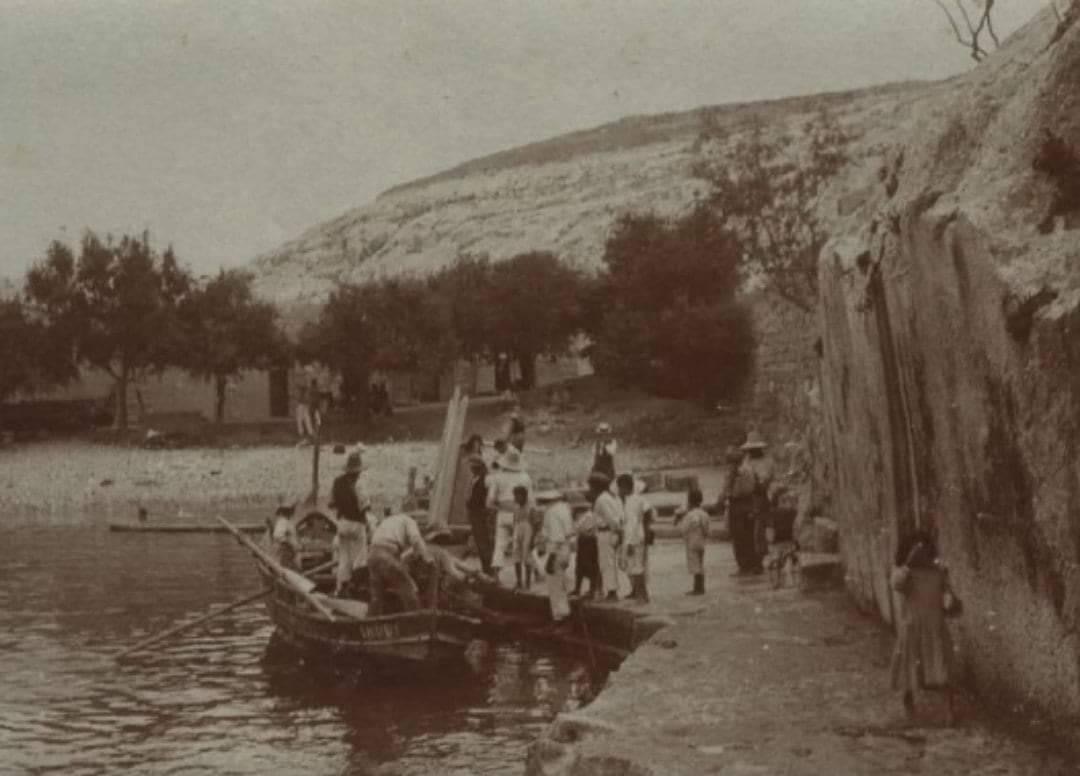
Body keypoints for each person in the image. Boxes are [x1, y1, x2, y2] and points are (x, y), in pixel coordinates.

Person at [890, 530, 959, 724]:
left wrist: (948, 597)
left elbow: (947, 592)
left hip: (934, 625)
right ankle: (908, 704)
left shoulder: (938, 572)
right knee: (909, 670)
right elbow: (896, 584)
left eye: (923, 548)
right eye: (914, 548)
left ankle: (949, 710)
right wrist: (908, 565)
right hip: (912, 625)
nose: (920, 552)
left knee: (942, 668)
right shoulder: (905, 573)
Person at [367, 511, 434, 616]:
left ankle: (370, 623)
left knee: (377, 598)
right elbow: (416, 540)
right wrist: (428, 559)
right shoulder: (410, 521)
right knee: (410, 590)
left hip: (372, 555)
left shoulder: (388, 521)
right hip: (386, 554)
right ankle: (418, 622)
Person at [485, 447, 533, 584]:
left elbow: (489, 502)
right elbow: (531, 500)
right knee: (525, 543)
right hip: (521, 514)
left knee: (500, 544)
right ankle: (535, 570)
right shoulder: (525, 477)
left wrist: (499, 506)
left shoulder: (498, 477)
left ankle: (495, 574)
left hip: (503, 512)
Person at [329, 451, 370, 596]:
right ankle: (357, 589)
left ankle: (340, 589)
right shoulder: (359, 484)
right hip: (357, 523)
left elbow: (331, 503)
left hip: (342, 523)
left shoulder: (337, 482)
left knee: (343, 559)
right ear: (358, 470)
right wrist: (368, 524)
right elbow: (364, 507)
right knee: (360, 558)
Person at [538, 487, 575, 623]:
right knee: (561, 583)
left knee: (555, 586)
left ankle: (560, 618)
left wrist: (550, 559)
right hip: (566, 550)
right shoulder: (565, 509)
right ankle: (564, 615)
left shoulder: (551, 512)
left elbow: (556, 537)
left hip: (557, 550)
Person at [617, 474, 653, 603]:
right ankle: (643, 595)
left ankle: (641, 596)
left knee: (636, 568)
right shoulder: (639, 499)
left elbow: (631, 525)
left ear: (625, 487)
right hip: (639, 535)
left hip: (634, 538)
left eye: (620, 488)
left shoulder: (631, 502)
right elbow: (648, 513)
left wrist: (629, 543)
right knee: (638, 567)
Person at [573, 471, 607, 599]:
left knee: (592, 564)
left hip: (593, 536)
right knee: (582, 564)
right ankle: (582, 588)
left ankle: (594, 589)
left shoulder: (602, 499)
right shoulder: (594, 497)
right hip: (587, 535)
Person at [593, 470, 625, 601]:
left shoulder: (602, 499)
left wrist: (616, 529)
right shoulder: (614, 497)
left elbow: (611, 519)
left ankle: (612, 592)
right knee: (609, 562)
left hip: (606, 532)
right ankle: (611, 590)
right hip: (612, 532)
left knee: (607, 563)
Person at [675, 488, 709, 595]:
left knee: (695, 565)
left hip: (692, 542)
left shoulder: (689, 515)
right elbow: (706, 528)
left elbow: (683, 529)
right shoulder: (704, 514)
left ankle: (697, 588)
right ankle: (701, 586)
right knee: (700, 563)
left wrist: (679, 520)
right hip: (701, 542)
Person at [465, 453, 494, 575]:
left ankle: (488, 569)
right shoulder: (475, 478)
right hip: (474, 512)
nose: (470, 469)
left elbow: (486, 498)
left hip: (479, 513)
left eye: (472, 466)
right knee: (480, 541)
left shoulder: (484, 479)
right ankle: (486, 568)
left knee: (484, 542)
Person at [511, 485, 536, 590]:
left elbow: (534, 524)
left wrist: (532, 540)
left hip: (528, 531)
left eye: (518, 496)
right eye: (515, 496)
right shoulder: (516, 508)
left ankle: (527, 583)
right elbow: (514, 522)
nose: (516, 498)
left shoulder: (530, 507)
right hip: (518, 531)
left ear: (524, 496)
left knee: (527, 557)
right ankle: (519, 581)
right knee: (516, 555)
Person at [271, 504, 300, 569]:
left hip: (289, 551)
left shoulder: (287, 522)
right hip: (285, 550)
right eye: (290, 511)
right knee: (285, 568)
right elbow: (278, 536)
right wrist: (290, 544)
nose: (292, 513)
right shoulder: (283, 522)